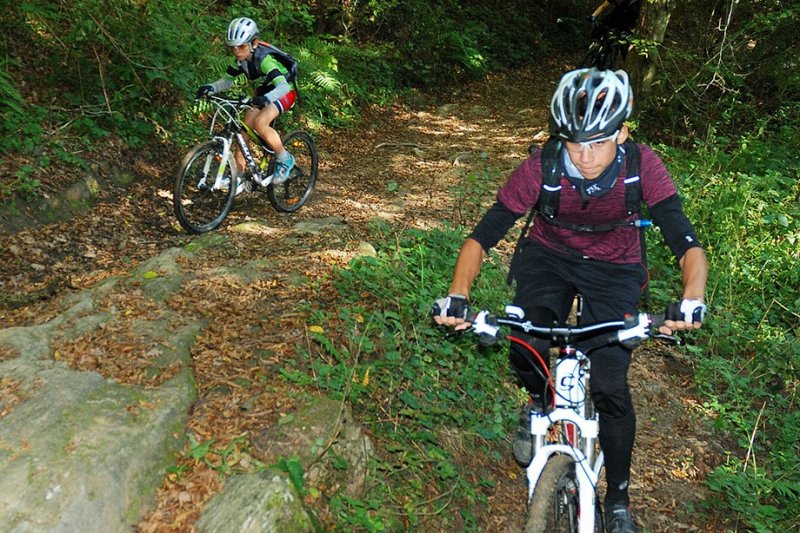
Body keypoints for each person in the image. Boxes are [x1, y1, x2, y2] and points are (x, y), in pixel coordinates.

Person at [432, 68, 707, 533]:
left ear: (621, 133)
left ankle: (617, 500)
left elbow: (686, 243)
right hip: (549, 258)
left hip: (615, 268)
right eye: (574, 143)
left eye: (598, 142)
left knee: (609, 383)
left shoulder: (642, 165)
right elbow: (484, 235)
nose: (585, 155)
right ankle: (539, 406)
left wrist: (691, 299)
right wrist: (458, 296)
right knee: (526, 343)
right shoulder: (543, 166)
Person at [196, 17, 298, 190]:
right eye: (233, 47)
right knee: (243, 131)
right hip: (265, 91)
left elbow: (282, 86)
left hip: (285, 90)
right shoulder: (239, 60)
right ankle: (239, 177)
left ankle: (285, 158)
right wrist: (211, 87)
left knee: (260, 122)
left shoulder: (265, 60)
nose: (236, 51)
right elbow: (226, 81)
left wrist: (266, 99)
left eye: (241, 46)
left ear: (254, 44)